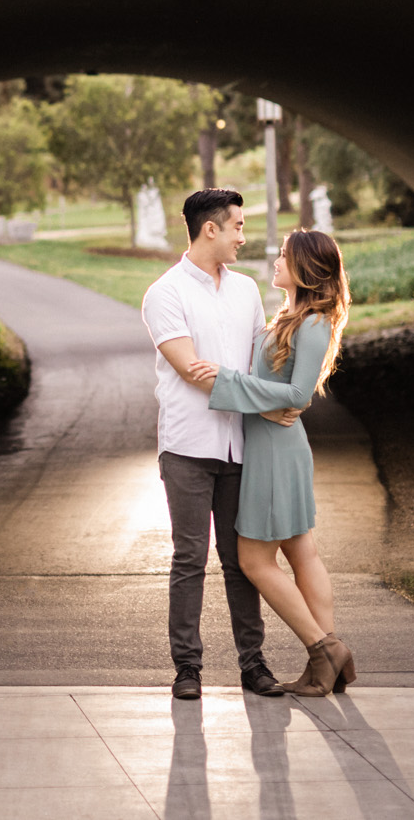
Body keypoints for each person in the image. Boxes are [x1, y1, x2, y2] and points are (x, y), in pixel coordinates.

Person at [140, 188, 296, 701]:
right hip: (187, 445)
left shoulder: (247, 290)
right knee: (190, 558)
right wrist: (261, 399)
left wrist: (249, 389)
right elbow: (190, 369)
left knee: (242, 561)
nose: (242, 237)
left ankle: (254, 665)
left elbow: (254, 367)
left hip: (240, 445)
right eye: (237, 227)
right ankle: (187, 668)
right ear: (211, 228)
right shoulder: (164, 294)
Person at [192, 227, 357, 696]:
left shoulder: (313, 322)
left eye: (284, 255)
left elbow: (300, 394)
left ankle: (322, 649)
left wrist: (227, 383)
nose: (275, 260)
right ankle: (327, 665)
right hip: (272, 442)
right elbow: (276, 389)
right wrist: (258, 398)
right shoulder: (290, 316)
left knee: (255, 560)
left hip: (275, 449)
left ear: (306, 266)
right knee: (302, 554)